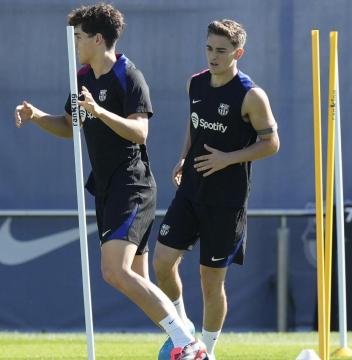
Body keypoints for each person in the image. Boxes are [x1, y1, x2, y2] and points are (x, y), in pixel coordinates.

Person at [14, 4, 207, 359]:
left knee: (113, 271)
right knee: (135, 279)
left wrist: (99, 111)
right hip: (105, 187)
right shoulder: (83, 77)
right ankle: (184, 331)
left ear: (98, 38)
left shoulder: (129, 76)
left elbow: (140, 132)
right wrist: (38, 116)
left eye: (79, 36)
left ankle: (187, 343)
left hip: (132, 186)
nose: (74, 42)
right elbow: (70, 127)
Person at [153, 19, 280, 359]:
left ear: (238, 52)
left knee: (211, 283)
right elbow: (194, 126)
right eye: (209, 48)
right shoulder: (195, 84)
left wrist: (229, 158)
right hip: (191, 192)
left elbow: (271, 143)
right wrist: (183, 157)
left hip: (226, 202)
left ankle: (206, 352)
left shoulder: (251, 95)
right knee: (161, 262)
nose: (213, 56)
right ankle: (183, 331)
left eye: (221, 51)